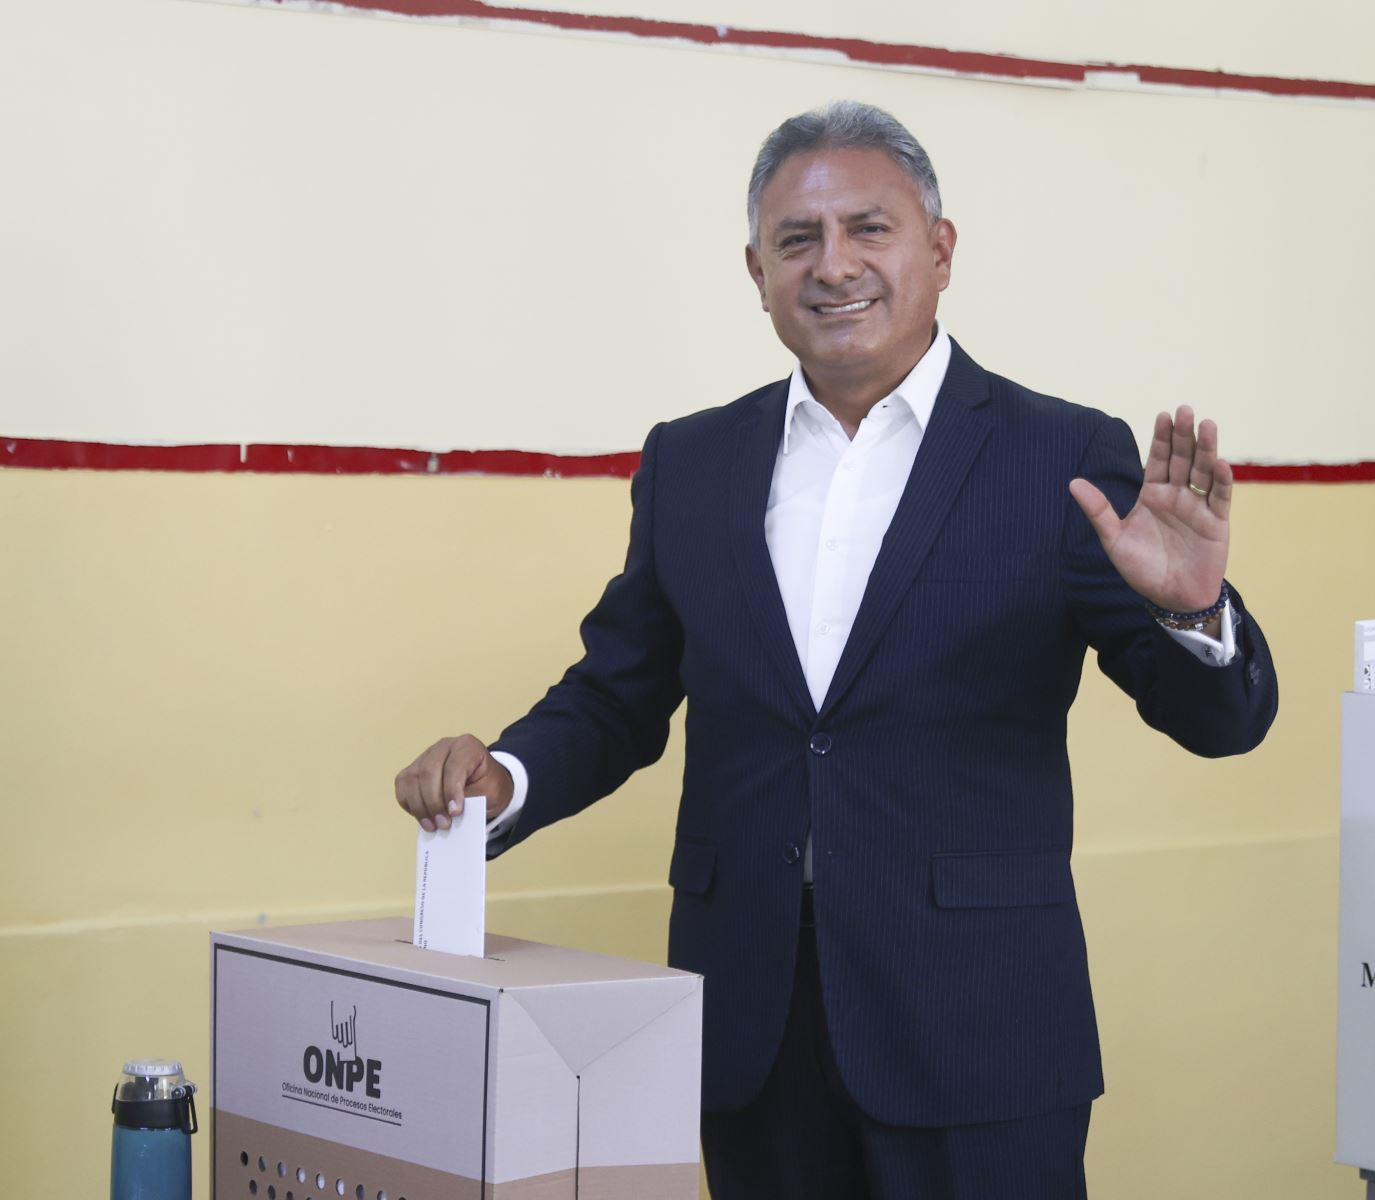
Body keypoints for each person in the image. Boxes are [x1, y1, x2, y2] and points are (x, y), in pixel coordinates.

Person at [393, 100, 1277, 1199]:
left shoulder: (1062, 455)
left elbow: (1222, 723)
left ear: (941, 250)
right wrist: (505, 779)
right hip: (754, 1030)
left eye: (870, 229)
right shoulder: (693, 462)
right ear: (756, 269)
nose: (833, 265)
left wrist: (1193, 616)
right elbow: (616, 696)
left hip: (980, 1031)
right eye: (797, 240)